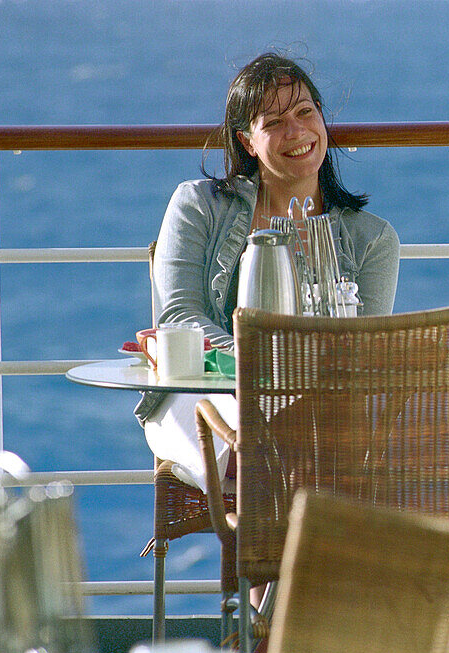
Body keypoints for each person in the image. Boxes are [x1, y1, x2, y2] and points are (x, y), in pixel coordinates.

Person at [135, 52, 400, 491]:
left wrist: (286, 383)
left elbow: (358, 354)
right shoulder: (198, 205)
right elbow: (179, 318)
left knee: (303, 439)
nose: (296, 131)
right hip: (199, 396)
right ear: (247, 141)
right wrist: (267, 368)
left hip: (317, 410)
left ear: (322, 121)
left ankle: (273, 554)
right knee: (283, 450)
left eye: (304, 112)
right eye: (273, 122)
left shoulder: (371, 239)